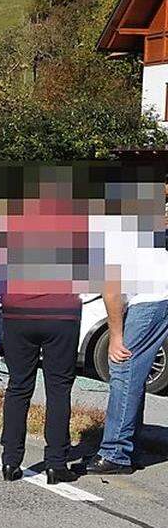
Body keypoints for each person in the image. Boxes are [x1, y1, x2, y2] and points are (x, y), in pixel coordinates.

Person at [0, 182, 86, 485]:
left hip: (18, 311)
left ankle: (10, 460)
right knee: (58, 388)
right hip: (61, 313)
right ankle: (56, 463)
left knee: (18, 385)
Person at [86, 190, 168, 476]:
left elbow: (112, 292)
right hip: (157, 297)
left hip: (149, 302)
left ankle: (115, 453)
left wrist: (116, 338)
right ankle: (130, 446)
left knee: (123, 369)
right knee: (134, 374)